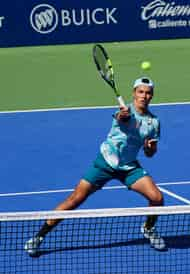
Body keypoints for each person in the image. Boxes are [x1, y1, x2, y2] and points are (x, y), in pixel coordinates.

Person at [24, 77, 167, 255]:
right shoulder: (124, 112)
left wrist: (149, 149)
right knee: (74, 200)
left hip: (129, 167)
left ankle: (148, 228)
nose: (144, 96)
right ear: (134, 93)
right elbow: (120, 117)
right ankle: (39, 236)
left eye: (147, 93)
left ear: (152, 96)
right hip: (105, 163)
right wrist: (123, 116)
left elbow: (150, 154)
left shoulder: (154, 123)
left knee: (157, 198)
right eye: (140, 92)